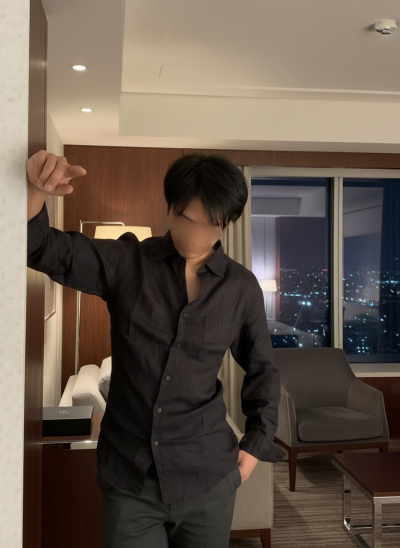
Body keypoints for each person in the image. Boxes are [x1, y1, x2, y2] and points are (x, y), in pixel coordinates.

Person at [26, 150, 285, 548]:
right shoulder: (128, 261)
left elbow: (262, 368)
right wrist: (35, 189)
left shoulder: (241, 288)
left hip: (209, 478)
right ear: (170, 207)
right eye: (185, 219)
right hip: (130, 480)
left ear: (227, 222)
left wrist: (254, 445)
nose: (195, 236)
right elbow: (42, 248)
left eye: (210, 225)